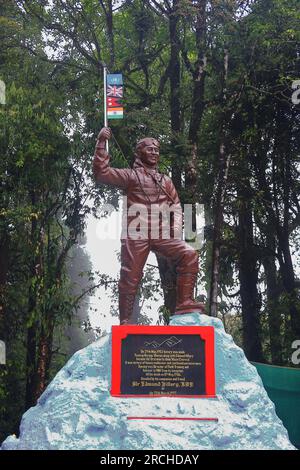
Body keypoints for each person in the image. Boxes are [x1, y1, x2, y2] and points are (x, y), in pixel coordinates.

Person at [93, 127, 204, 324]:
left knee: (189, 254)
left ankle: (185, 302)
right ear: (139, 153)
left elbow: (176, 205)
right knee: (130, 275)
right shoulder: (130, 176)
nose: (154, 153)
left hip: (161, 234)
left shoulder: (165, 180)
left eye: (156, 150)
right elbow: (102, 173)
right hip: (137, 233)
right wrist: (102, 143)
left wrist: (175, 229)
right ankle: (126, 320)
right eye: (149, 149)